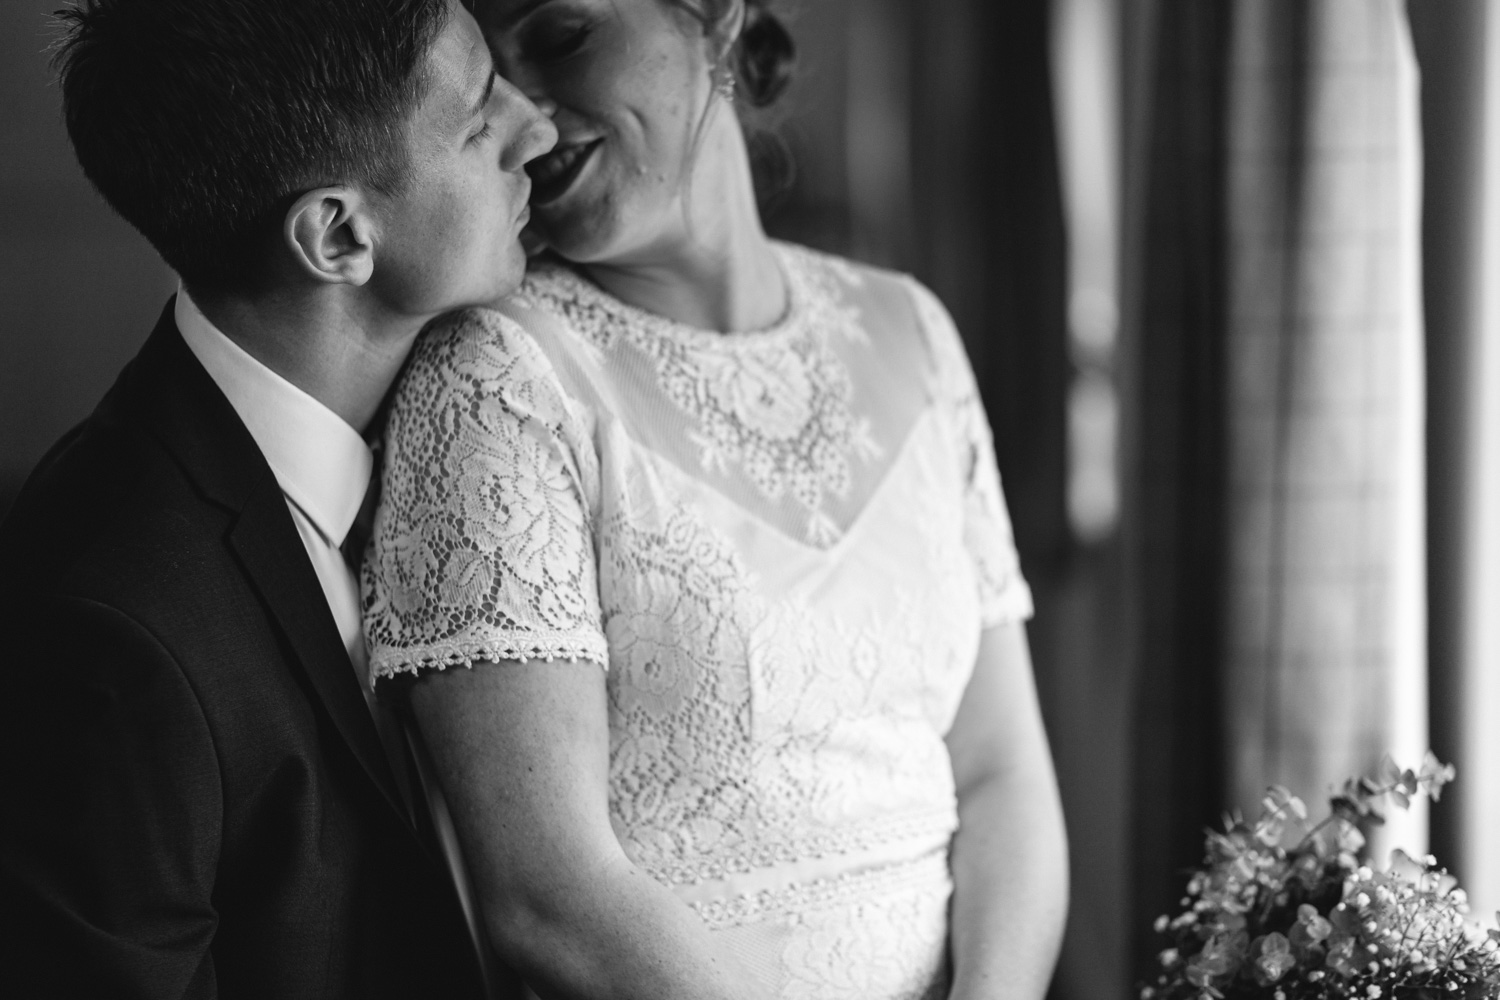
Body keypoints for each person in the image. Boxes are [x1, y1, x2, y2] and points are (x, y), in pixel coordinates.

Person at [363, 0, 1069, 997]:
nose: (533, 114)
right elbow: (548, 896)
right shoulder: (498, 381)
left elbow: (1003, 772)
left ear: (717, 19)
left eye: (564, 38)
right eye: (497, 78)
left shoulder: (912, 331)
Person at [0, 0, 554, 995]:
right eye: (479, 121)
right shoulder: (110, 624)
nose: (539, 127)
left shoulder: (480, 428)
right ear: (337, 236)